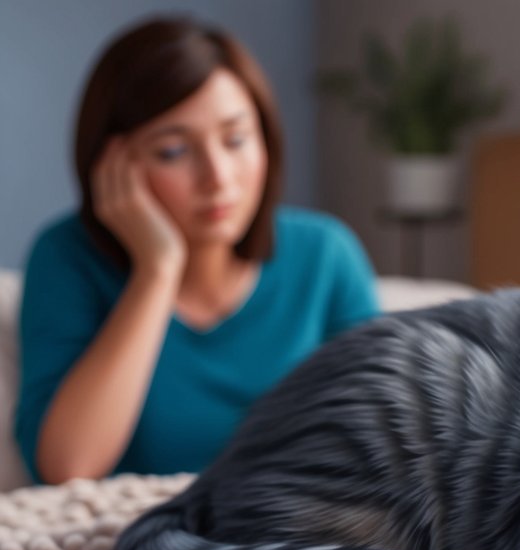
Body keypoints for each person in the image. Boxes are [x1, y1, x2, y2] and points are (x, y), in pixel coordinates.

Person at [14, 17, 381, 485]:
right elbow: (69, 469)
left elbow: (385, 447)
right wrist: (157, 271)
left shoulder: (325, 255)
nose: (218, 177)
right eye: (173, 151)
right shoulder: (66, 258)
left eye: (235, 140)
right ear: (111, 166)